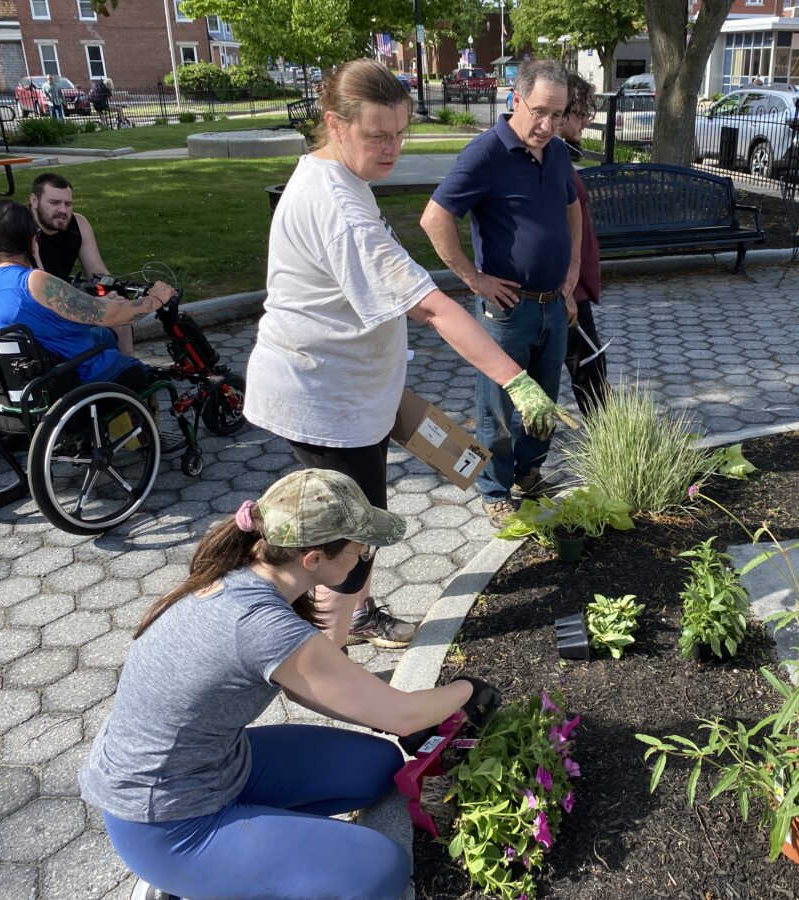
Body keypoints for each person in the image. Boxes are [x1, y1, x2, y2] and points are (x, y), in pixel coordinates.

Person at [244, 59, 567, 651]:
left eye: (400, 133)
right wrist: (516, 380)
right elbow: (436, 308)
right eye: (377, 136)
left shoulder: (339, 178)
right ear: (334, 124)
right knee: (354, 540)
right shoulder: (339, 208)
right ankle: (329, 654)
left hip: (349, 387)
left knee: (346, 526)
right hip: (325, 400)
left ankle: (341, 620)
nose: (392, 148)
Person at [79, 467, 499, 900]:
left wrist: (400, 720)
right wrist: (467, 691)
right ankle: (195, 879)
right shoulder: (261, 625)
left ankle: (253, 856)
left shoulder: (245, 573)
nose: (363, 557)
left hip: (219, 767)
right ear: (313, 559)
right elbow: (401, 713)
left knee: (378, 769)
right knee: (378, 870)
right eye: (360, 549)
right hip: (167, 824)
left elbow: (305, 688)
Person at [421, 58, 582, 526]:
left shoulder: (555, 153)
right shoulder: (485, 153)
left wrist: (570, 273)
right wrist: (475, 280)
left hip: (553, 304)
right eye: (539, 112)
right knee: (499, 404)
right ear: (516, 99)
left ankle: (529, 473)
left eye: (558, 114)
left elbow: (573, 209)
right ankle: (494, 488)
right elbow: (434, 219)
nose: (548, 124)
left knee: (544, 399)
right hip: (507, 311)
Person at [0, 199, 175, 392]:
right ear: (31, 240)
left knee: (103, 336)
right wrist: (155, 299)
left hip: (3, 385)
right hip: (67, 377)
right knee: (142, 373)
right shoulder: (32, 281)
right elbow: (113, 315)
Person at [29, 172, 136, 354]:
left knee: (118, 310)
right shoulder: (22, 227)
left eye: (68, 203)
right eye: (54, 203)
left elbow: (97, 271)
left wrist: (110, 294)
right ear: (34, 201)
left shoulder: (78, 223)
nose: (63, 210)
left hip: (63, 297)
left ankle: (129, 369)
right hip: (38, 305)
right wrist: (91, 302)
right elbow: (41, 287)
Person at [557, 72, 609, 417]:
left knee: (587, 363)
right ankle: (610, 447)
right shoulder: (553, 161)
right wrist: (568, 292)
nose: (585, 122)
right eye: (580, 114)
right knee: (589, 366)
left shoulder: (560, 158)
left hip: (570, 288)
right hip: (564, 292)